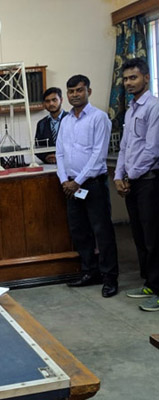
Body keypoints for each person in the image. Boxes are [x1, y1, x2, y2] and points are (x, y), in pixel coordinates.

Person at [56, 75, 119, 297]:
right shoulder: (66, 121)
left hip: (92, 185)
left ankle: (110, 278)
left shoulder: (99, 118)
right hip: (70, 186)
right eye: (71, 91)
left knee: (102, 232)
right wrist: (65, 180)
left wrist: (77, 182)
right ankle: (90, 272)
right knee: (79, 231)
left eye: (79, 90)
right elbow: (60, 153)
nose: (75, 94)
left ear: (88, 92)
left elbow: (98, 155)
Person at [114, 58, 159, 311]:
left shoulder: (154, 107)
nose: (129, 83)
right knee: (140, 237)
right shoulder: (131, 109)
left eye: (134, 77)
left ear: (146, 77)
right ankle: (150, 284)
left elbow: (152, 149)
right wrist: (119, 176)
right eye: (126, 79)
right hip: (132, 182)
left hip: (149, 181)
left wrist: (130, 177)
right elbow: (125, 147)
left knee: (154, 238)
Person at [34, 88, 68, 164]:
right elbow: (37, 147)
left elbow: (79, 145)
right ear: (44, 104)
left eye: (54, 100)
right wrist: (46, 157)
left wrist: (60, 156)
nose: (51, 103)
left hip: (71, 165)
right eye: (47, 101)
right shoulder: (41, 124)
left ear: (61, 100)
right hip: (50, 167)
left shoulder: (71, 120)